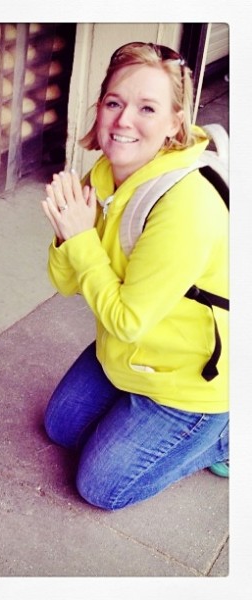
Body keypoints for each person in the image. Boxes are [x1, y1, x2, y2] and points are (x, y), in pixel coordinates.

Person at [40, 42, 229, 510]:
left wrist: (81, 239)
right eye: (114, 103)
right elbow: (66, 283)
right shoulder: (105, 172)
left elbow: (125, 319)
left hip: (190, 378)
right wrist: (68, 237)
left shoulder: (187, 206)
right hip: (130, 353)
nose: (123, 122)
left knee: (101, 487)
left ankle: (227, 435)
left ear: (174, 124)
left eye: (147, 107)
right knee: (59, 428)